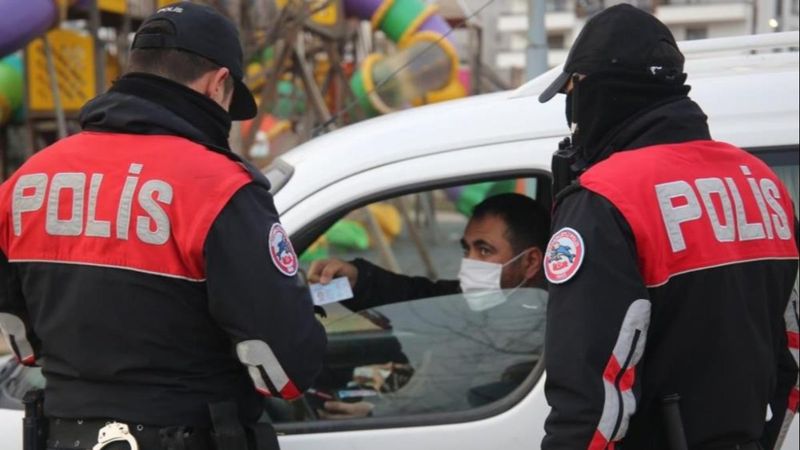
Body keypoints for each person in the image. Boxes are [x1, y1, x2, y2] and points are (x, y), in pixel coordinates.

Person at [0, 3, 326, 449]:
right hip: (186, 434)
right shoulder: (220, 188)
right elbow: (287, 370)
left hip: (63, 435)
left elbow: (21, 337)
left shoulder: (27, 180)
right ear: (219, 85)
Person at [537, 4, 799, 450]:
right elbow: (790, 356)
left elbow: (588, 400)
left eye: (572, 93)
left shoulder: (605, 197)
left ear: (597, 90)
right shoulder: (762, 183)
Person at [308, 192, 550, 418]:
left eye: (484, 250)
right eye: (467, 250)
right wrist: (358, 280)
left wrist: (374, 414)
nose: (469, 263)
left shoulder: (535, 333)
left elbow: (454, 400)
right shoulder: (482, 305)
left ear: (530, 262)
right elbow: (424, 298)